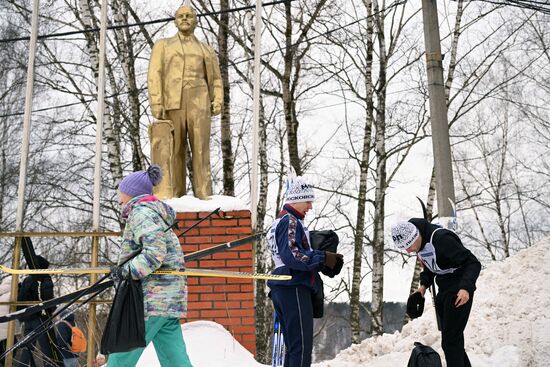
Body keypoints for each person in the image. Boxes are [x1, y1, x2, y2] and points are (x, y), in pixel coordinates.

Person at [106, 165, 192, 367]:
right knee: (175, 360)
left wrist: (125, 272)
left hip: (150, 299)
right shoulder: (156, 214)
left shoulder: (142, 213)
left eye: (121, 191)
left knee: (121, 354)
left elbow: (154, 254)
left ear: (131, 193)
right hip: (168, 300)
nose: (119, 197)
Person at [267, 173, 343, 367]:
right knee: (300, 348)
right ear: (297, 199)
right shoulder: (289, 221)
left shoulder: (281, 222)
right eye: (308, 201)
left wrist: (322, 259)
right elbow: (292, 255)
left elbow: (291, 253)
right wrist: (322, 258)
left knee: (294, 347)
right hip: (293, 286)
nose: (310, 206)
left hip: (284, 286)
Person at [147, 5, 223, 200]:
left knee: (201, 150)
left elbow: (215, 78)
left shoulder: (206, 49)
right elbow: (154, 74)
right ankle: (175, 195)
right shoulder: (163, 45)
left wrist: (218, 99)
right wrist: (156, 102)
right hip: (173, 101)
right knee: (174, 151)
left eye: (189, 15)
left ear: (196, 20)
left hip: (200, 101)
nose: (185, 18)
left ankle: (204, 195)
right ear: (175, 20)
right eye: (180, 16)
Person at [391, 218, 481, 367]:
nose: (407, 251)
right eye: (404, 248)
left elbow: (473, 263)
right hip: (444, 288)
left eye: (408, 246)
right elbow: (430, 268)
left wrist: (466, 288)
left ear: (416, 236)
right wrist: (423, 287)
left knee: (450, 341)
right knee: (453, 341)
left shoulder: (442, 239)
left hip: (459, 288)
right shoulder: (420, 245)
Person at [16, 255, 63, 367]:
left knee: (28, 346)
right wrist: (53, 311)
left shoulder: (27, 280)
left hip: (27, 316)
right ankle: (49, 365)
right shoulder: (44, 279)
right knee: (47, 346)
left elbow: (21, 297)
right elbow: (48, 298)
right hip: (41, 317)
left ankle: (22, 365)